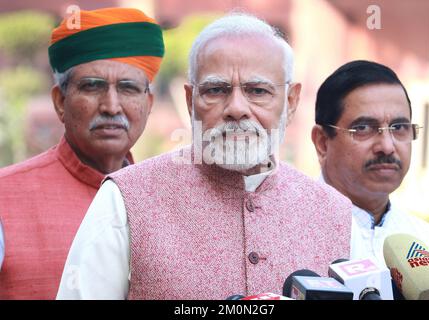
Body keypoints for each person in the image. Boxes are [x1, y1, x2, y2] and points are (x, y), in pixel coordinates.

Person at [57, 13, 353, 300]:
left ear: (290, 101)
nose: (236, 108)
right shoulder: (125, 200)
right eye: (215, 90)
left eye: (258, 91)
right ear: (190, 102)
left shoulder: (334, 213)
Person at [0, 8, 165, 299]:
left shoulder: (169, 200)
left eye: (127, 88)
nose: (112, 106)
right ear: (60, 101)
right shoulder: (5, 198)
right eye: (93, 87)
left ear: (148, 103)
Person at [311, 60, 429, 267]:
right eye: (364, 127)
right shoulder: (285, 232)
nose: (387, 146)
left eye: (399, 127)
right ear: (322, 142)